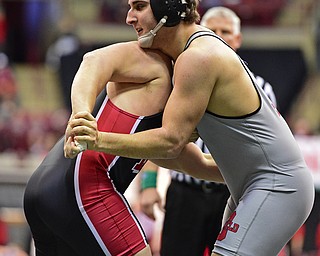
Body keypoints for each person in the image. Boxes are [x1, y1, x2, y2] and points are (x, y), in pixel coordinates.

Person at [65, 0, 315, 255]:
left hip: (275, 184)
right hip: (252, 184)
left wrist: (98, 140)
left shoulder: (198, 57)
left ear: (167, 9)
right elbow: (185, 158)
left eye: (139, 7)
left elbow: (171, 142)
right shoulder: (190, 56)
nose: (129, 17)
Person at [24, 41, 220, 256]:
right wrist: (81, 117)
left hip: (43, 186)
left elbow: (199, 163)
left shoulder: (160, 139)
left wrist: (255, 174)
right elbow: (93, 61)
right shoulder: (159, 65)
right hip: (83, 185)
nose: (130, 17)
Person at [138, 6, 279, 256]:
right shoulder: (180, 80)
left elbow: (266, 149)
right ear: (202, 31)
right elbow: (160, 135)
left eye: (226, 31)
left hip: (231, 192)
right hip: (185, 194)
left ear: (238, 39)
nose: (219, 35)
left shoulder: (261, 89)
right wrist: (148, 185)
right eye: (213, 30)